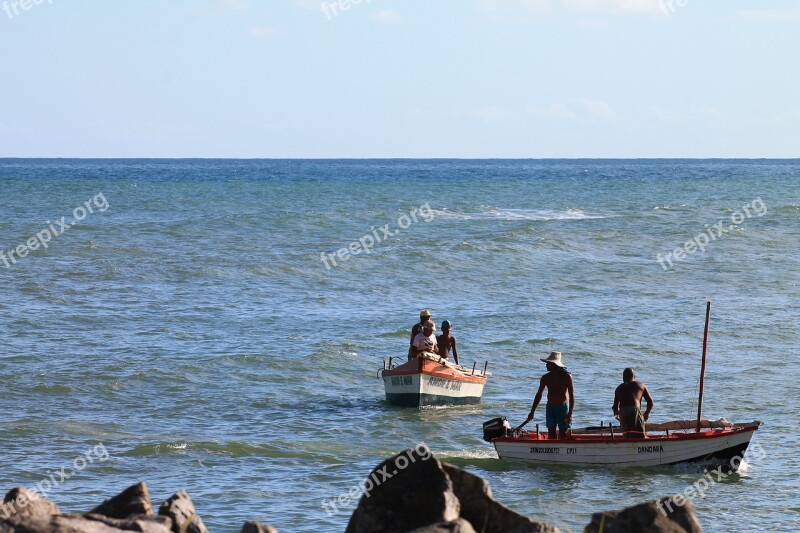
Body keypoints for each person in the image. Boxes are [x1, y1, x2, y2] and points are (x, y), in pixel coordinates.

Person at [525, 351, 574, 439]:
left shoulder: (567, 377)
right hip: (550, 408)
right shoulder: (545, 378)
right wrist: (532, 412)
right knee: (551, 434)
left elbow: (572, 395)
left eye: (548, 363)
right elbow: (539, 394)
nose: (546, 365)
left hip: (563, 408)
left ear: (555, 365)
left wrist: (570, 413)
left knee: (563, 434)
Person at [613, 367, 654, 438]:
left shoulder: (618, 388)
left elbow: (615, 408)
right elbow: (650, 402)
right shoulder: (641, 385)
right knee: (640, 435)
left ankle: (627, 447)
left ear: (623, 378)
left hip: (622, 411)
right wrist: (647, 413)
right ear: (634, 376)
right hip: (634, 410)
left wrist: (618, 413)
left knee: (626, 436)